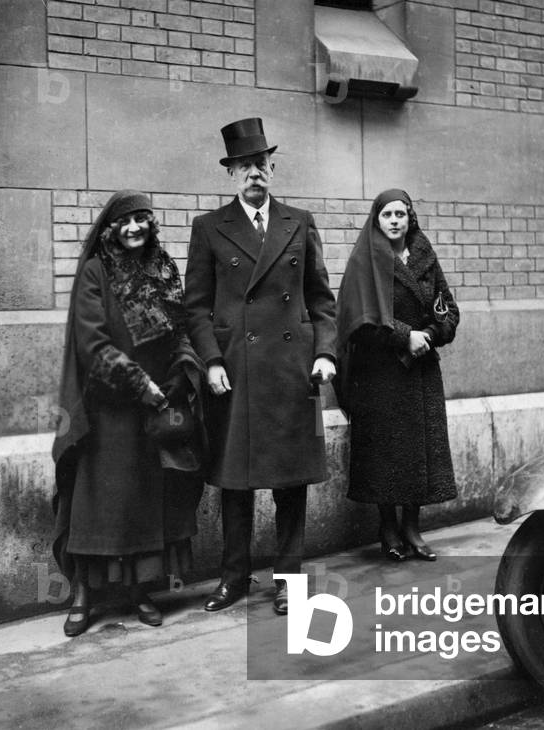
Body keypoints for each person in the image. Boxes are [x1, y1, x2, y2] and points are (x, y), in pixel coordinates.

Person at [184, 118, 337, 616]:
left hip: (292, 370)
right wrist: (210, 360)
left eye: (261, 163)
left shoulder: (299, 222)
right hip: (236, 370)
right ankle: (234, 578)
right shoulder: (209, 227)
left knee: (291, 482)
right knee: (236, 482)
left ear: (272, 168)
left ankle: (290, 580)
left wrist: (324, 352)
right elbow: (195, 306)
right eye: (245, 166)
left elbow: (321, 299)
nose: (255, 173)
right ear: (231, 173)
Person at [52, 190, 206, 636]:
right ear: (111, 229)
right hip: (107, 408)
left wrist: (179, 375)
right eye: (126, 221)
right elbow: (92, 343)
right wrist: (141, 386)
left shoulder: (162, 268)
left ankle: (139, 590)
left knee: (144, 503)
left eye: (142, 219)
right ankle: (83, 594)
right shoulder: (96, 271)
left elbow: (180, 330)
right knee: (96, 506)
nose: (135, 228)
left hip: (154, 412)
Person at [335, 189, 459, 561]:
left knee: (419, 453)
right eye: (387, 214)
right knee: (386, 454)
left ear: (410, 218)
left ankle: (412, 528)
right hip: (380, 374)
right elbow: (359, 321)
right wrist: (406, 337)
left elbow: (448, 310)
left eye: (400, 214)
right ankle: (388, 527)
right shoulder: (365, 260)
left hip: (421, 373)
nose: (394, 221)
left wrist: (430, 335)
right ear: (377, 220)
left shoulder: (424, 256)